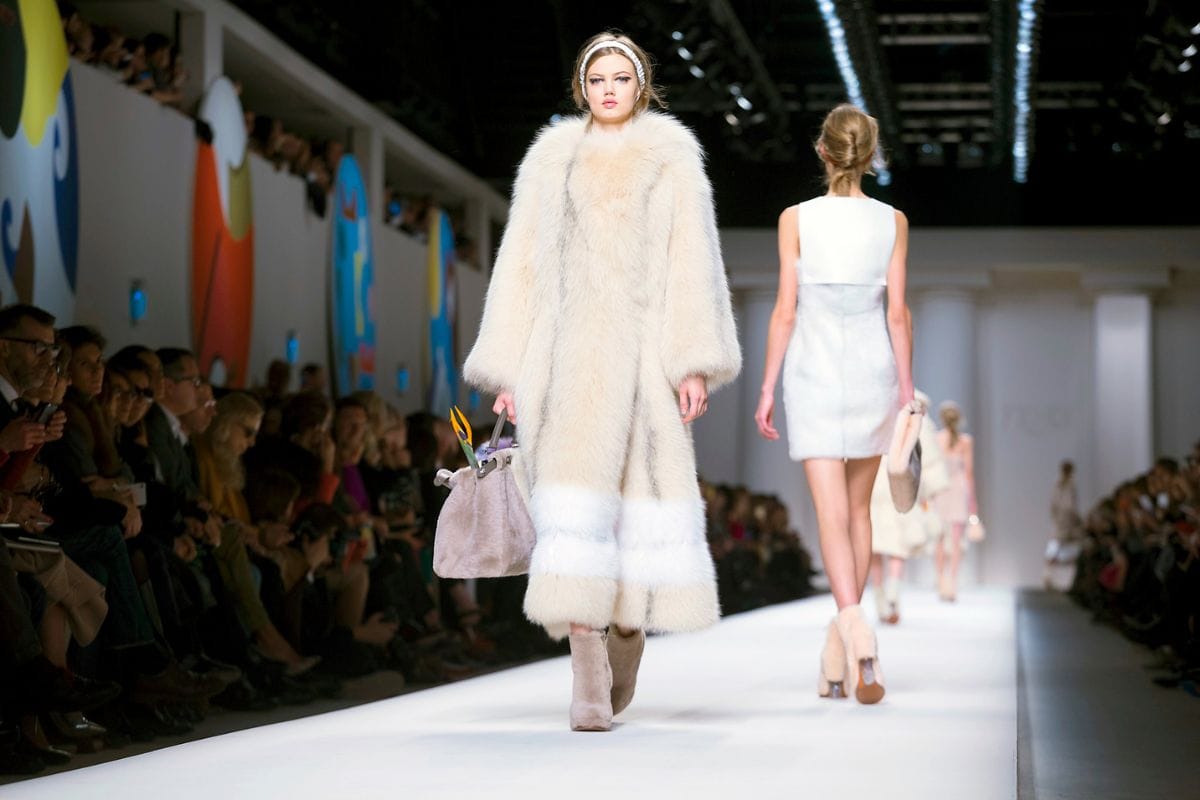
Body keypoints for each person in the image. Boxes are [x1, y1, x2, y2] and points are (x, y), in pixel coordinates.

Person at [462, 32, 740, 731]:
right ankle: (586, 668)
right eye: (597, 79)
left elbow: (692, 261)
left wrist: (693, 360)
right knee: (570, 515)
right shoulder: (551, 157)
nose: (608, 89)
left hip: (643, 359)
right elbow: (520, 263)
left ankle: (626, 632)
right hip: (562, 358)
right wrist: (509, 366)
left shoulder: (671, 155)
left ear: (641, 85)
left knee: (633, 513)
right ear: (581, 88)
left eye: (621, 78)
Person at [755, 104, 912, 704]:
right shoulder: (893, 221)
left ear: (822, 151)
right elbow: (897, 314)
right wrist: (906, 391)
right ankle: (845, 642)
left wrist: (767, 388)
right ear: (870, 156)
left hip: (814, 372)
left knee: (830, 516)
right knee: (860, 514)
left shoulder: (795, 218)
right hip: (873, 372)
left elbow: (785, 310)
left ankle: (854, 630)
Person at [868, 389, 948, 624]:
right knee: (898, 544)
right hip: (900, 482)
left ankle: (880, 601)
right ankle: (893, 595)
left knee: (874, 545)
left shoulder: (875, 410)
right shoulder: (916, 415)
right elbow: (929, 459)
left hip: (873, 483)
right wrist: (928, 493)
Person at [934, 400, 977, 602]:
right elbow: (968, 474)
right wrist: (973, 503)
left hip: (941, 490)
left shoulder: (936, 439)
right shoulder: (965, 441)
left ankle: (941, 581)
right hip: (958, 491)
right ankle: (952, 582)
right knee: (956, 539)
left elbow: (932, 470)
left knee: (940, 539)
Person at [1045, 459, 1081, 590]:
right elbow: (1055, 505)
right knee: (1052, 551)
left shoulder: (1071, 486)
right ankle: (1048, 578)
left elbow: (1071, 506)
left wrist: (1074, 520)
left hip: (1068, 523)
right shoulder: (1058, 485)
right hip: (1060, 524)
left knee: (1072, 552)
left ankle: (1071, 580)